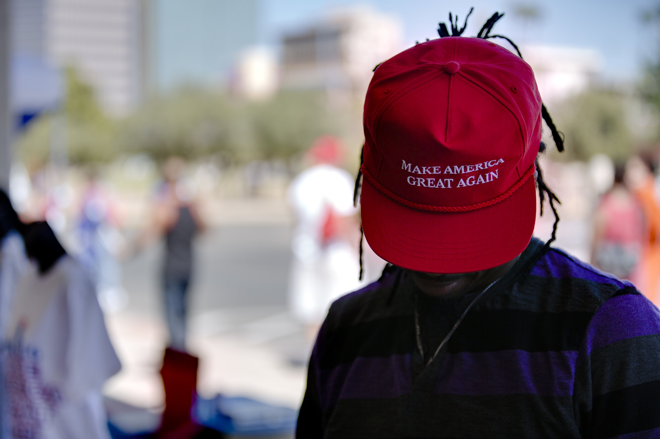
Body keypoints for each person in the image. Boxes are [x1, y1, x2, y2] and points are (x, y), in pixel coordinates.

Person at [296, 10, 660, 438]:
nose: (440, 263)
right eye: (419, 220)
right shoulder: (344, 333)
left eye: (471, 225)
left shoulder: (612, 333)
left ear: (533, 168)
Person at [287, 136, 363, 340]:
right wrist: (357, 249)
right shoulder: (339, 179)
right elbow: (342, 220)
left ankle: (315, 356)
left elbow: (295, 219)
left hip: (306, 252)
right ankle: (338, 358)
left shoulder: (301, 182)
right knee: (343, 306)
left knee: (312, 308)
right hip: (336, 252)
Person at [136, 157, 205, 351]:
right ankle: (181, 351)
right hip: (188, 264)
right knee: (182, 314)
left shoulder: (168, 206)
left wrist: (131, 248)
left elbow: (153, 230)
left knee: (173, 317)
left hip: (173, 267)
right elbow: (204, 228)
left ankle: (178, 356)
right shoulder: (191, 205)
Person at [591, 163, 644, 282]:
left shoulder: (606, 202)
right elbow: (640, 231)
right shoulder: (634, 202)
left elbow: (597, 232)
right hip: (628, 261)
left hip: (608, 261)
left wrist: (591, 261)